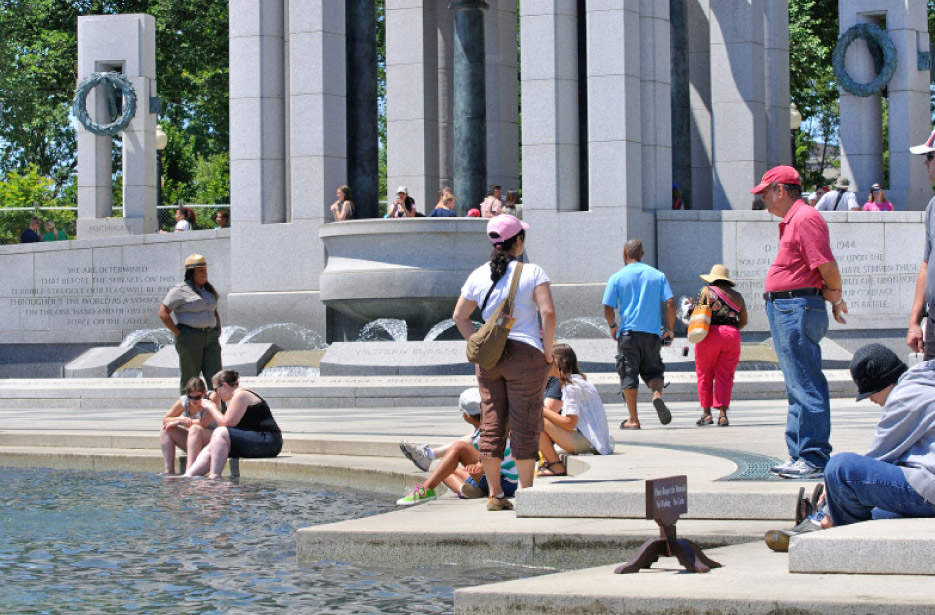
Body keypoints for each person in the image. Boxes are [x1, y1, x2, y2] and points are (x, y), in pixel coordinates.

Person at [765, 344, 935, 552]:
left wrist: (830, 487)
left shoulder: (904, 398)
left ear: (882, 384)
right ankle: (829, 517)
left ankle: (825, 521)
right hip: (928, 487)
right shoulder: (923, 384)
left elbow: (878, 459)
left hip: (929, 488)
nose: (871, 400)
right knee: (874, 512)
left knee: (840, 468)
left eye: (869, 393)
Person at [452, 214, 556, 511]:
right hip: (526, 354)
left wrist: (480, 343)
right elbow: (548, 314)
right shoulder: (532, 271)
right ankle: (526, 495)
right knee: (524, 423)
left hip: (490, 360)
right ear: (518, 241)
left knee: (492, 422)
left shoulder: (477, 274)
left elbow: (459, 316)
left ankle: (496, 494)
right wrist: (547, 353)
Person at [752, 165, 848, 480]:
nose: (763, 198)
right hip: (790, 307)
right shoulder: (796, 219)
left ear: (781, 189)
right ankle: (801, 455)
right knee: (798, 383)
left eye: (765, 191)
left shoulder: (805, 218)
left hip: (797, 307)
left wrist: (835, 297)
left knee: (805, 382)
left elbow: (827, 266)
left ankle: (813, 457)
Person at [396, 387, 519, 505]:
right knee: (443, 472)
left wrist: (480, 466)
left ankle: (426, 489)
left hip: (502, 482)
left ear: (466, 416)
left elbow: (493, 454)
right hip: (505, 482)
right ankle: (467, 489)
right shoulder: (492, 426)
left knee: (458, 447)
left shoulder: (487, 433)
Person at [602, 239, 676, 430]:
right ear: (642, 254)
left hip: (628, 333)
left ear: (624, 254)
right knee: (654, 370)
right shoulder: (657, 275)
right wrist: (669, 328)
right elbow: (670, 302)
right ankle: (657, 395)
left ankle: (633, 419)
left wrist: (612, 325)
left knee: (628, 373)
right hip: (652, 334)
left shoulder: (617, 277)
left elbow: (608, 306)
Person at [179, 369, 282, 478]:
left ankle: (214, 477)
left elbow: (226, 423)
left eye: (216, 389)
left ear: (224, 386)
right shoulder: (237, 396)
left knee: (220, 432)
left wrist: (211, 407)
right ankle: (188, 476)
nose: (216, 394)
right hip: (257, 440)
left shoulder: (241, 395)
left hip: (269, 441)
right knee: (214, 443)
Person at [537, 344, 614, 477]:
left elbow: (569, 423)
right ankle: (551, 461)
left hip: (591, 444)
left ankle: (555, 464)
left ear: (558, 363)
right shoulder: (578, 382)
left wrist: (541, 409)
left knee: (535, 422)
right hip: (596, 441)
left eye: (549, 361)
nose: (545, 365)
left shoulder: (571, 387)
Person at [688, 265, 747, 427]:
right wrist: (729, 329)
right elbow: (744, 321)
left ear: (712, 278)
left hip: (708, 335)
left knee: (704, 373)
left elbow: (697, 313)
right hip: (732, 335)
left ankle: (706, 414)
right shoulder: (738, 297)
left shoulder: (706, 291)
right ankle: (722, 414)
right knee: (725, 375)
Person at [158, 254, 222, 394]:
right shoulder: (179, 290)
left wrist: (218, 327)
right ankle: (189, 411)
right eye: (200, 270)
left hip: (210, 337)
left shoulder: (208, 290)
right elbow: (163, 312)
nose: (204, 273)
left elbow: (213, 309)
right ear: (191, 273)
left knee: (217, 377)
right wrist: (178, 332)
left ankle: (219, 413)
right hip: (190, 337)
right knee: (191, 378)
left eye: (205, 270)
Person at [908, 128, 935, 359]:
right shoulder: (932, 207)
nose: (925, 164)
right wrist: (915, 322)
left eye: (929, 157)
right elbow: (926, 265)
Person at [160, 377, 216, 474]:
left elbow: (204, 422)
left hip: (212, 440)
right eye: (191, 397)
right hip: (194, 441)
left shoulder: (211, 398)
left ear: (204, 393)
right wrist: (181, 419)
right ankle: (169, 472)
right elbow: (165, 420)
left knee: (195, 429)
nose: (194, 401)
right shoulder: (185, 401)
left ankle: (189, 472)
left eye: (198, 397)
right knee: (166, 430)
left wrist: (179, 422)